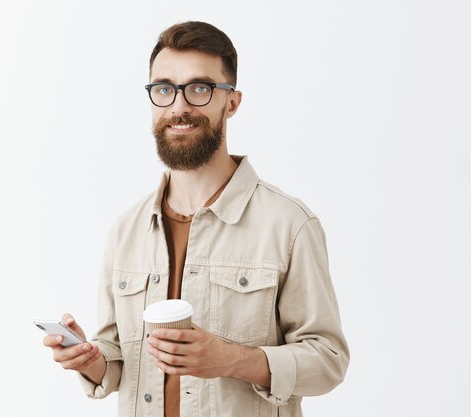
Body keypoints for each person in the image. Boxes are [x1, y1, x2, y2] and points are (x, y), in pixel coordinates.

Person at [42, 21, 349, 417]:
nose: (179, 106)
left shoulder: (289, 225)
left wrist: (234, 360)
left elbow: (329, 361)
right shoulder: (126, 230)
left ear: (232, 102)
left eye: (200, 89)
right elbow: (118, 362)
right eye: (164, 89)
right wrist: (90, 361)